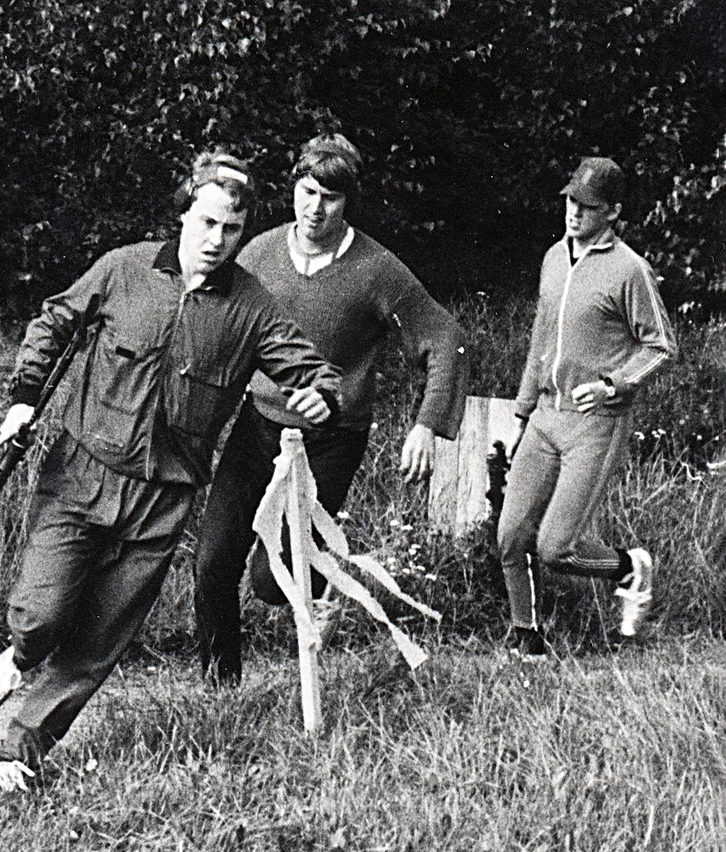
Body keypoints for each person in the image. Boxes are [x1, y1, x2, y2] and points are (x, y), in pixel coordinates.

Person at [0, 150, 345, 792]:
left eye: (231, 230)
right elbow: (55, 320)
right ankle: (21, 653)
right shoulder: (123, 269)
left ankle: (19, 751)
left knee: (100, 638)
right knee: (43, 614)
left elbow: (312, 368)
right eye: (206, 223)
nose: (216, 241)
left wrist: (321, 395)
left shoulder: (252, 308)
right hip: (81, 474)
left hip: (164, 499)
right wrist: (24, 399)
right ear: (183, 215)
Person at [193, 133, 468, 685]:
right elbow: (212, 325)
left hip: (331, 439)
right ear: (294, 188)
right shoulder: (259, 254)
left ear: (348, 202)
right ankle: (220, 690)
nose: (315, 207)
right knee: (212, 564)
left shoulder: (375, 269)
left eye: (331, 197)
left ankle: (322, 584)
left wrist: (427, 425)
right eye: (307, 190)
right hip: (259, 427)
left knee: (274, 583)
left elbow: (445, 337)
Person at [498, 156, 677, 659]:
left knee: (557, 549)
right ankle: (527, 638)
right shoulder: (555, 257)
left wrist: (612, 385)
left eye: (588, 206)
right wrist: (521, 410)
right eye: (571, 201)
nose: (574, 213)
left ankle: (628, 567)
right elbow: (540, 338)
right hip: (544, 418)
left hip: (595, 424)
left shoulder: (630, 270)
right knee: (511, 535)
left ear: (613, 212)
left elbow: (661, 347)